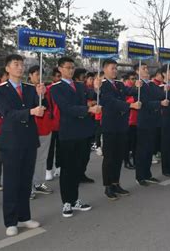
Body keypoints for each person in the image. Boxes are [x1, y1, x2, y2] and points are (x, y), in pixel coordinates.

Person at [0, 54, 46, 236]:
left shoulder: (31, 89)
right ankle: (11, 221)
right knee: (11, 182)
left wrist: (42, 96)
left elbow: (41, 108)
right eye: (16, 64)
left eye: (22, 64)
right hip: (12, 142)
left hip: (29, 140)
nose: (20, 67)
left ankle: (24, 217)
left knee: (25, 180)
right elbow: (7, 113)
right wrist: (31, 111)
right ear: (7, 69)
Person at [50, 57, 101, 218]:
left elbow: (93, 95)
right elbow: (66, 108)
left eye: (72, 67)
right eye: (67, 67)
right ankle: (67, 202)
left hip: (84, 132)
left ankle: (75, 199)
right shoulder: (56, 88)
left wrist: (98, 88)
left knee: (78, 167)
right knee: (67, 169)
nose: (71, 70)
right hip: (69, 133)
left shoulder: (80, 86)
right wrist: (88, 110)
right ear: (60, 69)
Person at [99, 59, 141, 200]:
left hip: (121, 125)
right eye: (112, 68)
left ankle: (116, 183)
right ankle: (108, 186)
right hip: (110, 126)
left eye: (116, 68)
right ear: (104, 69)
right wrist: (130, 106)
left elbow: (129, 91)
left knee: (118, 157)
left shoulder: (118, 84)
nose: (115, 71)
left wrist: (138, 86)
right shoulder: (102, 85)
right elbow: (111, 102)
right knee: (109, 158)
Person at [135, 62, 165, 186]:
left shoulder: (151, 84)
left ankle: (147, 174)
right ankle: (140, 176)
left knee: (149, 149)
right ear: (137, 71)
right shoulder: (138, 85)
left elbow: (160, 95)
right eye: (144, 68)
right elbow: (144, 102)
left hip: (154, 121)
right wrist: (159, 103)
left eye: (147, 68)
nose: (147, 70)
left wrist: (164, 92)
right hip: (144, 121)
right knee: (142, 150)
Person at [28, 65, 54, 198]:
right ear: (30, 76)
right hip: (32, 130)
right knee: (30, 159)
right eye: (37, 74)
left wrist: (42, 95)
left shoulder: (46, 89)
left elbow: (48, 107)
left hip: (45, 129)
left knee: (42, 159)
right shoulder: (26, 90)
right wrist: (37, 95)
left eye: (41, 74)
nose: (39, 77)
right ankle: (28, 186)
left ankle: (38, 183)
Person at [45, 67, 62, 181]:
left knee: (61, 147)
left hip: (63, 123)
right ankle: (48, 169)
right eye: (57, 76)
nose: (59, 78)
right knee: (50, 148)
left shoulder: (64, 88)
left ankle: (59, 166)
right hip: (51, 123)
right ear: (53, 77)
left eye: (60, 76)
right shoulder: (48, 89)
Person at [123, 72, 138, 169]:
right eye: (132, 79)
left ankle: (135, 161)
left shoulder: (136, 89)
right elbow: (123, 102)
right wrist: (133, 100)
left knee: (135, 142)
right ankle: (126, 161)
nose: (133, 81)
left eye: (135, 79)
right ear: (127, 79)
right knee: (127, 143)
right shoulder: (126, 89)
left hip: (136, 119)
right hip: (128, 119)